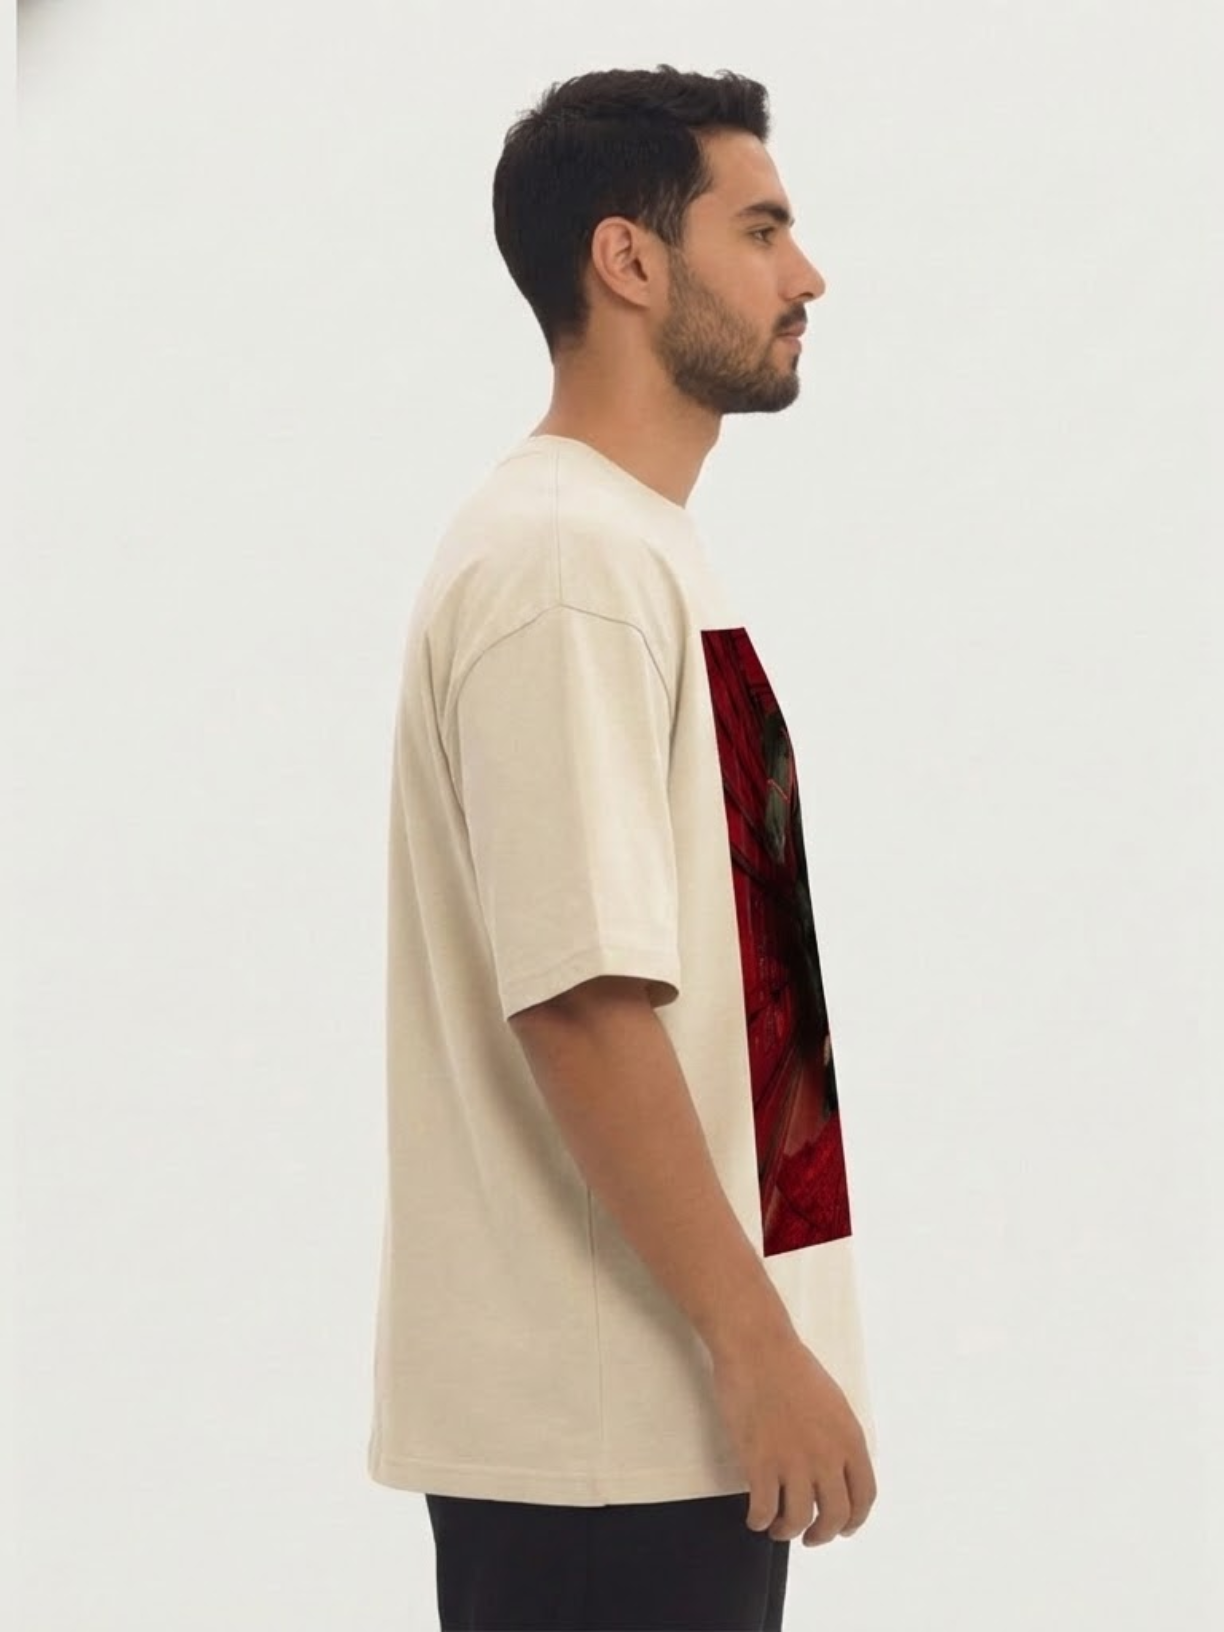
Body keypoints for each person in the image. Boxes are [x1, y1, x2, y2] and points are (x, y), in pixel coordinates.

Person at [367, 63, 879, 1631]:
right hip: (607, 1440)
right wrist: (755, 1343)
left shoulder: (629, 549)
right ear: (630, 260)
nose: (807, 275)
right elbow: (581, 998)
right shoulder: (566, 567)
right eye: (762, 230)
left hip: (655, 1427)